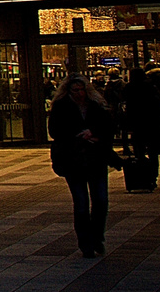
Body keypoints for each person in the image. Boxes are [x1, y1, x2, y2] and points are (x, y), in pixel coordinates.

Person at [49, 75, 117, 257]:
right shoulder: (61, 107)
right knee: (81, 203)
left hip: (96, 158)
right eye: (75, 91)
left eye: (82, 90)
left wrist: (93, 132)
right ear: (68, 92)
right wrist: (79, 135)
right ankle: (85, 242)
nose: (79, 94)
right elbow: (55, 131)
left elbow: (109, 127)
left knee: (101, 200)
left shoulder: (96, 106)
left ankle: (97, 237)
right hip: (74, 160)